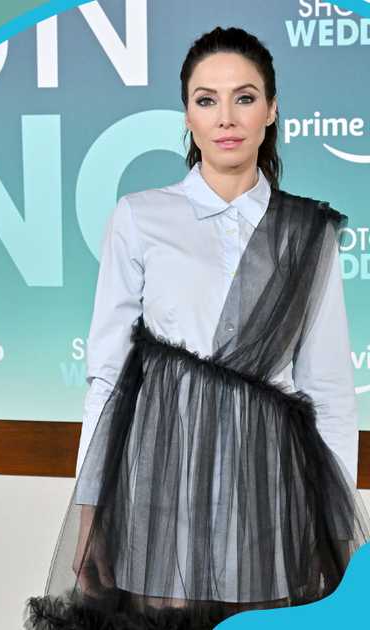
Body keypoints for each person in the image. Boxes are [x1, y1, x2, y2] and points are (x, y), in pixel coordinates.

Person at [26, 26, 368, 629]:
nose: (226, 117)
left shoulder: (307, 232)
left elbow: (331, 391)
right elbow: (107, 376)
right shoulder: (140, 216)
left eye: (244, 96)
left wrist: (339, 521)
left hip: (269, 486)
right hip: (161, 481)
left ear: (271, 110)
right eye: (206, 99)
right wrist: (89, 508)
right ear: (187, 115)